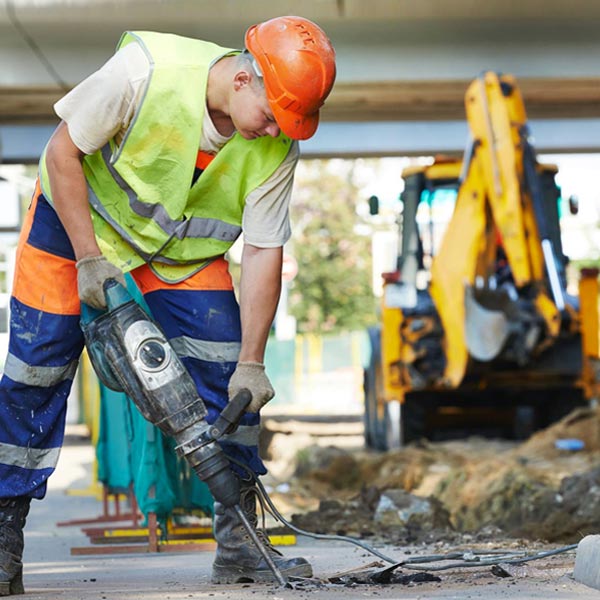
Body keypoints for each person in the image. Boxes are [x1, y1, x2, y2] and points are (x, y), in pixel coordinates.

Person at [0, 15, 336, 593]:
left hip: (178, 252)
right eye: (274, 114)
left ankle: (241, 545)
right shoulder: (145, 72)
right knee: (35, 376)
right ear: (244, 80)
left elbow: (262, 251)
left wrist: (253, 362)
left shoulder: (276, 145)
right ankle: (3, 543)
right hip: (75, 230)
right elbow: (62, 153)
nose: (278, 129)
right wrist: (87, 259)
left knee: (231, 378)